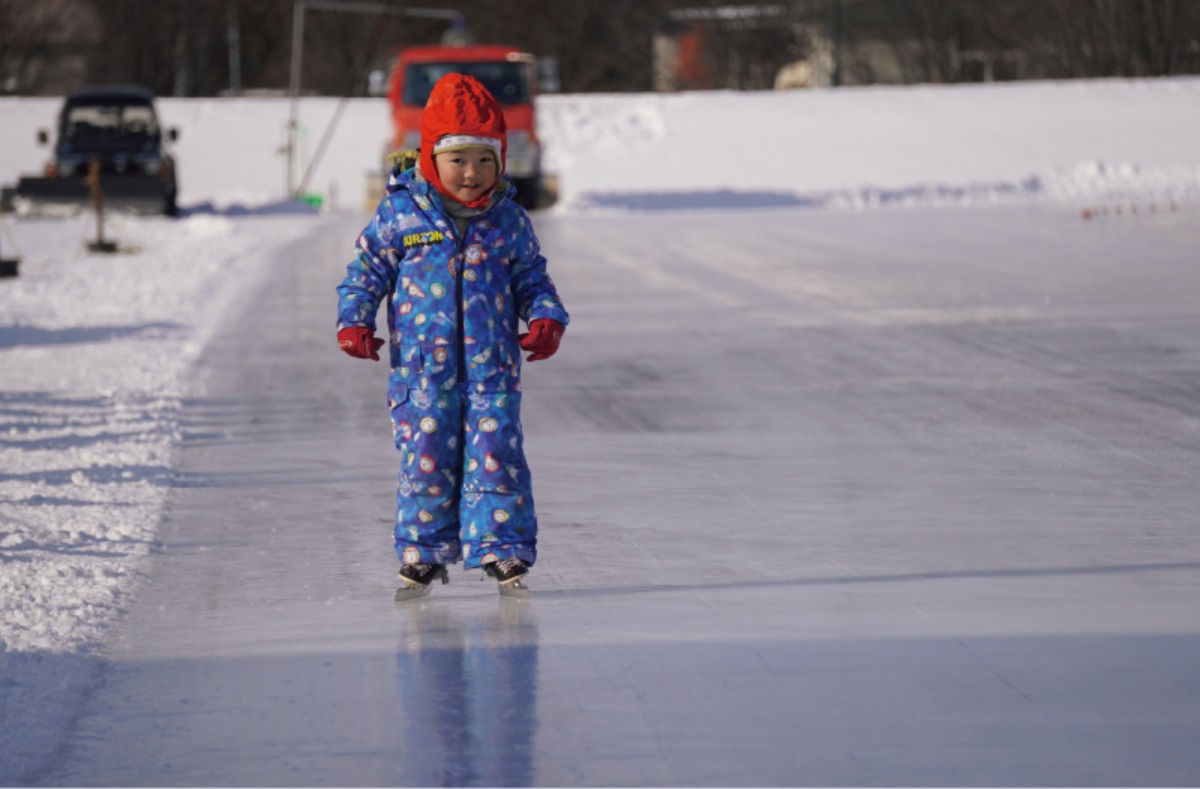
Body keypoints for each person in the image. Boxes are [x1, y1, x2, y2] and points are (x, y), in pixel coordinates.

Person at [335, 73, 568, 594]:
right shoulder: (402, 213)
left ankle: (502, 549)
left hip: (492, 371)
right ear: (430, 158)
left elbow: (532, 275)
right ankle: (423, 551)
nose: (473, 173)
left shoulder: (507, 219)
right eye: (458, 159)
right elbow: (367, 269)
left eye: (486, 160)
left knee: (497, 455)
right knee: (427, 458)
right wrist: (355, 318)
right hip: (423, 373)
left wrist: (546, 315)